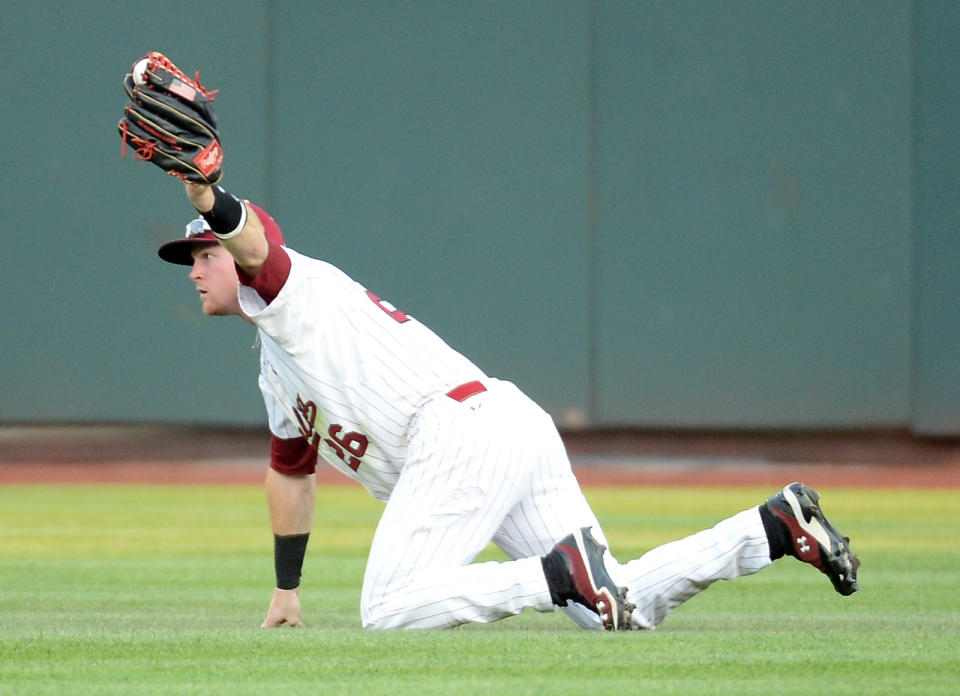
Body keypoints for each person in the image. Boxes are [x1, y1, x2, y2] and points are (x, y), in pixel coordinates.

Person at [127, 55, 860, 631]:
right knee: (618, 603)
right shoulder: (274, 367)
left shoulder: (290, 292)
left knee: (388, 608)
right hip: (504, 432)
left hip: (456, 437)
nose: (195, 271)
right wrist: (286, 592)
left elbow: (255, 240)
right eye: (189, 260)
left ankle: (554, 574)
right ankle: (771, 529)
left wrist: (205, 195)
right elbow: (290, 475)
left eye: (201, 256)